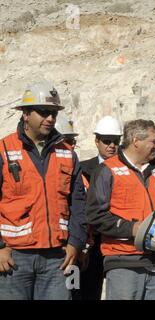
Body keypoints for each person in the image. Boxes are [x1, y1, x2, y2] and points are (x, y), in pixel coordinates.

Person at [0, 81, 87, 300]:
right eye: (44, 112)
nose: (50, 118)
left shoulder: (67, 153)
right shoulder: (4, 151)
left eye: (54, 113)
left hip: (57, 258)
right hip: (13, 258)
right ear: (26, 114)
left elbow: (78, 203)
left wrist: (75, 243)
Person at [86, 119, 155, 300]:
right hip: (124, 263)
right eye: (153, 141)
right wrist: (133, 229)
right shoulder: (107, 170)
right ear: (136, 141)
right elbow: (95, 215)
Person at [73, 115, 123, 300]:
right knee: (87, 291)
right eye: (106, 141)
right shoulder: (82, 168)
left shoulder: (127, 170)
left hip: (117, 240)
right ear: (96, 141)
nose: (111, 145)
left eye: (115, 141)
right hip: (90, 243)